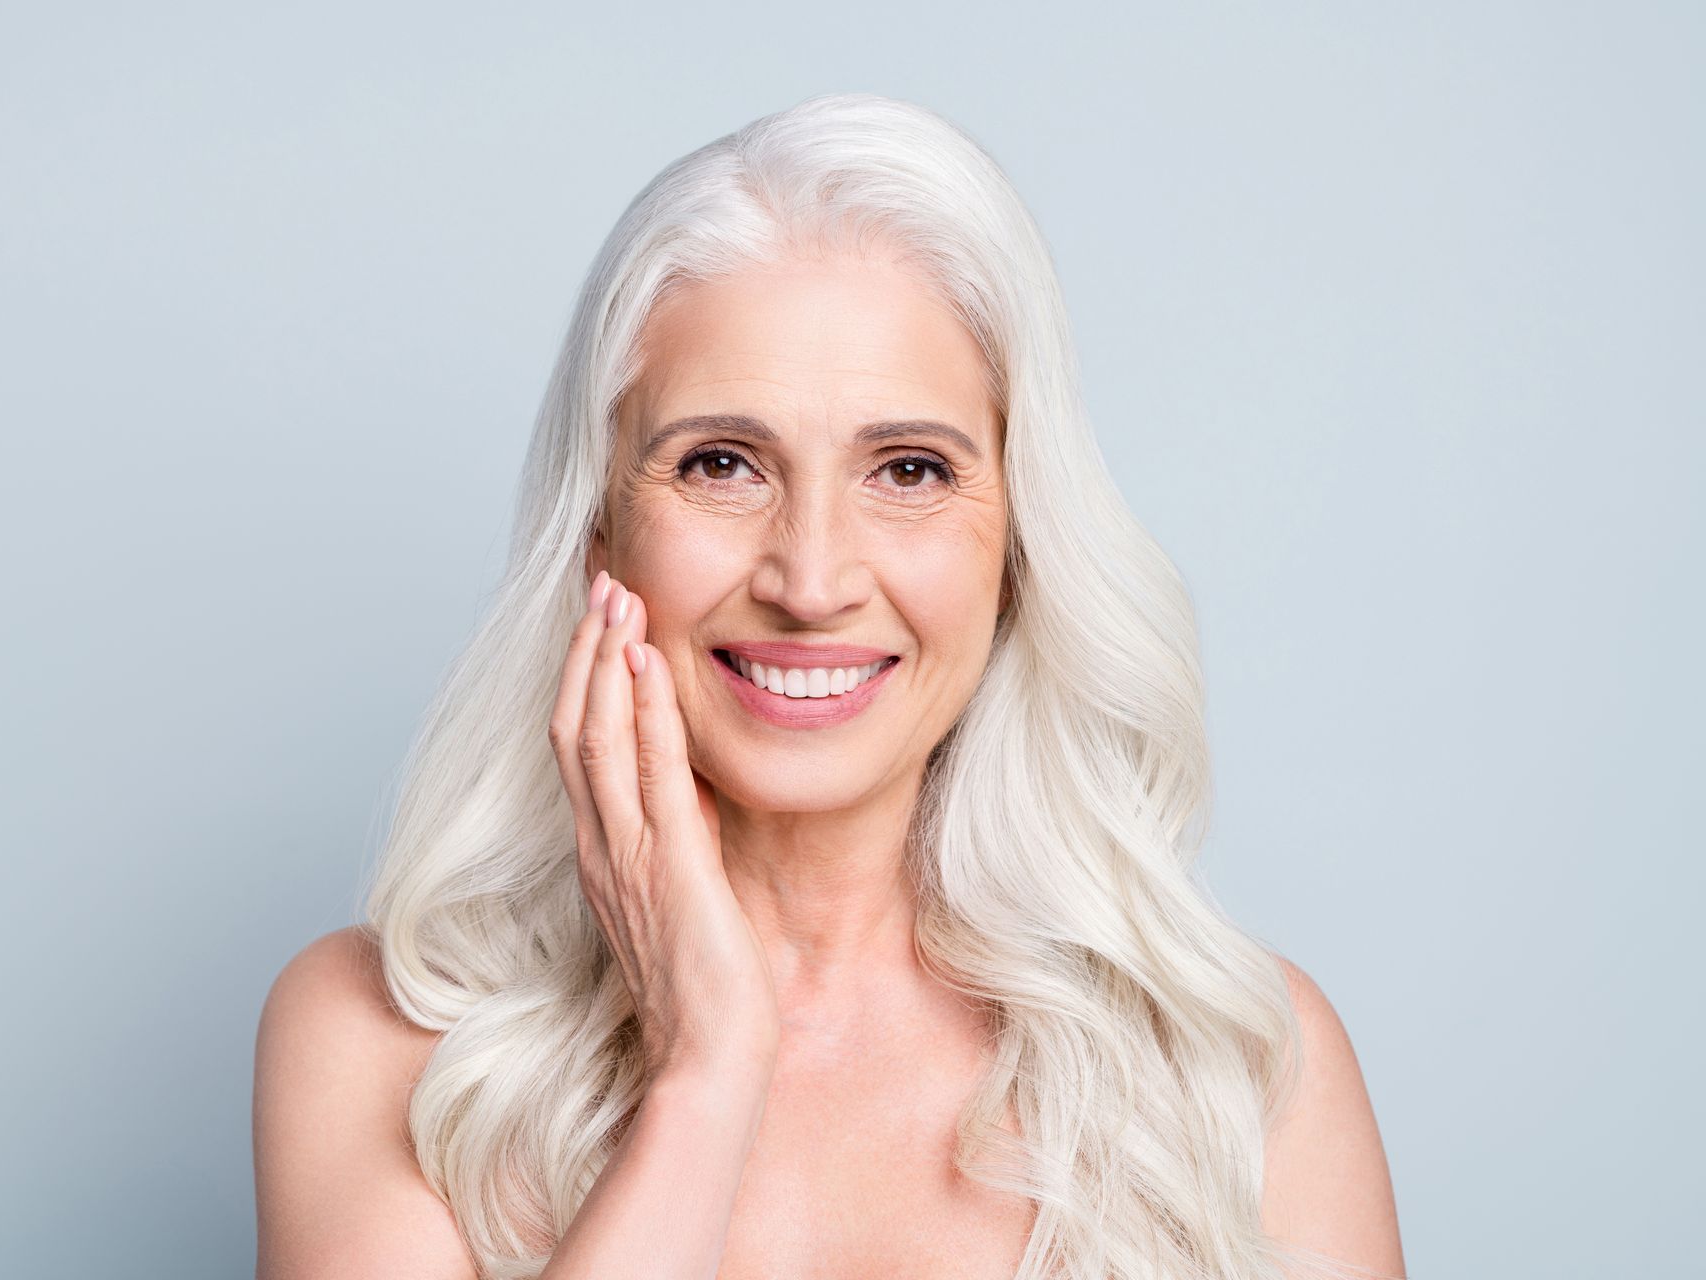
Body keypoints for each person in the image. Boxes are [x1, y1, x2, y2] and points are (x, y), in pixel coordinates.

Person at [253, 93, 1404, 1280]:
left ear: (1018, 546)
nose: (811, 579)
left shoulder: (1243, 1070)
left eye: (909, 469)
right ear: (599, 533)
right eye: (721, 462)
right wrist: (708, 1070)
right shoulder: (381, 1043)